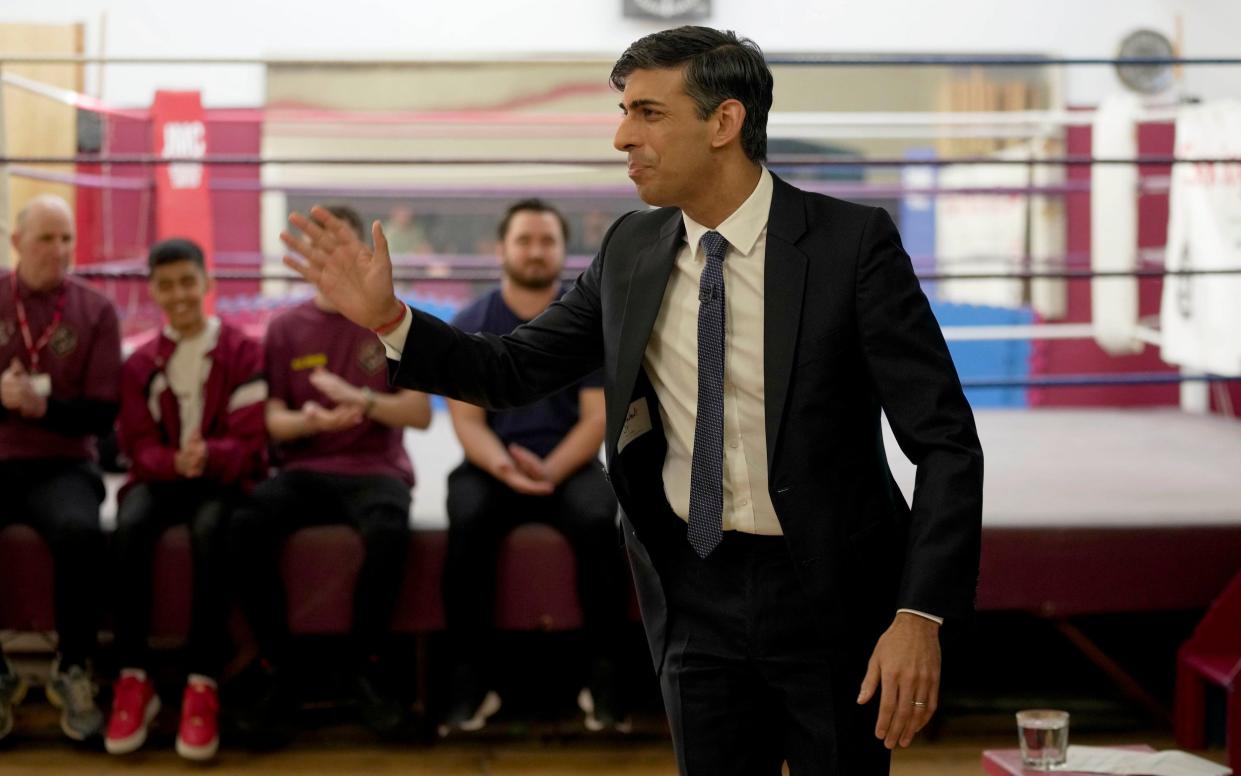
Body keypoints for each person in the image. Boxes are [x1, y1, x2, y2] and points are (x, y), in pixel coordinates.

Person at [283, 27, 983, 776]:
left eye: (647, 113)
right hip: (693, 590)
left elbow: (944, 441)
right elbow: (514, 368)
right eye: (623, 111)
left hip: (830, 598)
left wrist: (919, 613)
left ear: (724, 122)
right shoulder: (629, 250)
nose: (621, 136)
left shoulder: (851, 244)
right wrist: (392, 320)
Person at [229, 204, 431, 741]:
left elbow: (419, 413)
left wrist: (363, 401)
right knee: (244, 524)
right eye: (317, 248)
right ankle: (278, 668)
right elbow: (271, 420)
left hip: (374, 468)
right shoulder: (285, 327)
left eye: (338, 246)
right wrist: (307, 420)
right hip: (306, 468)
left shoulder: (391, 320)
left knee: (388, 530)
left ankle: (365, 668)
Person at [439, 199, 628, 736]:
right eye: (524, 240)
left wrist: (547, 470)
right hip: (493, 464)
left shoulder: (585, 322)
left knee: (600, 521)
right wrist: (506, 467)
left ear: (563, 252)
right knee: (467, 519)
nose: (536, 250)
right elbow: (468, 423)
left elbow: (597, 418)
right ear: (502, 249)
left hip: (566, 460)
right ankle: (469, 679)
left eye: (547, 241)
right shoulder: (472, 324)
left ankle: (605, 676)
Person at [106, 238, 267, 760]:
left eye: (187, 282)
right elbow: (135, 443)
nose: (177, 294)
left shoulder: (243, 351)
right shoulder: (140, 363)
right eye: (166, 284)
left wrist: (209, 455)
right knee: (130, 524)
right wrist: (172, 462)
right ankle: (133, 676)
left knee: (210, 531)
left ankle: (203, 681)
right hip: (163, 480)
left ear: (207, 282)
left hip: (220, 483)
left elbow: (251, 440)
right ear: (152, 289)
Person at [0, 194, 120, 743]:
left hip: (64, 462)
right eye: (47, 238)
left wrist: (41, 408)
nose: (59, 250)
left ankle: (74, 666)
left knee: (79, 531)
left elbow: (102, 413)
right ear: (17, 243)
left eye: (67, 238)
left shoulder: (96, 310)